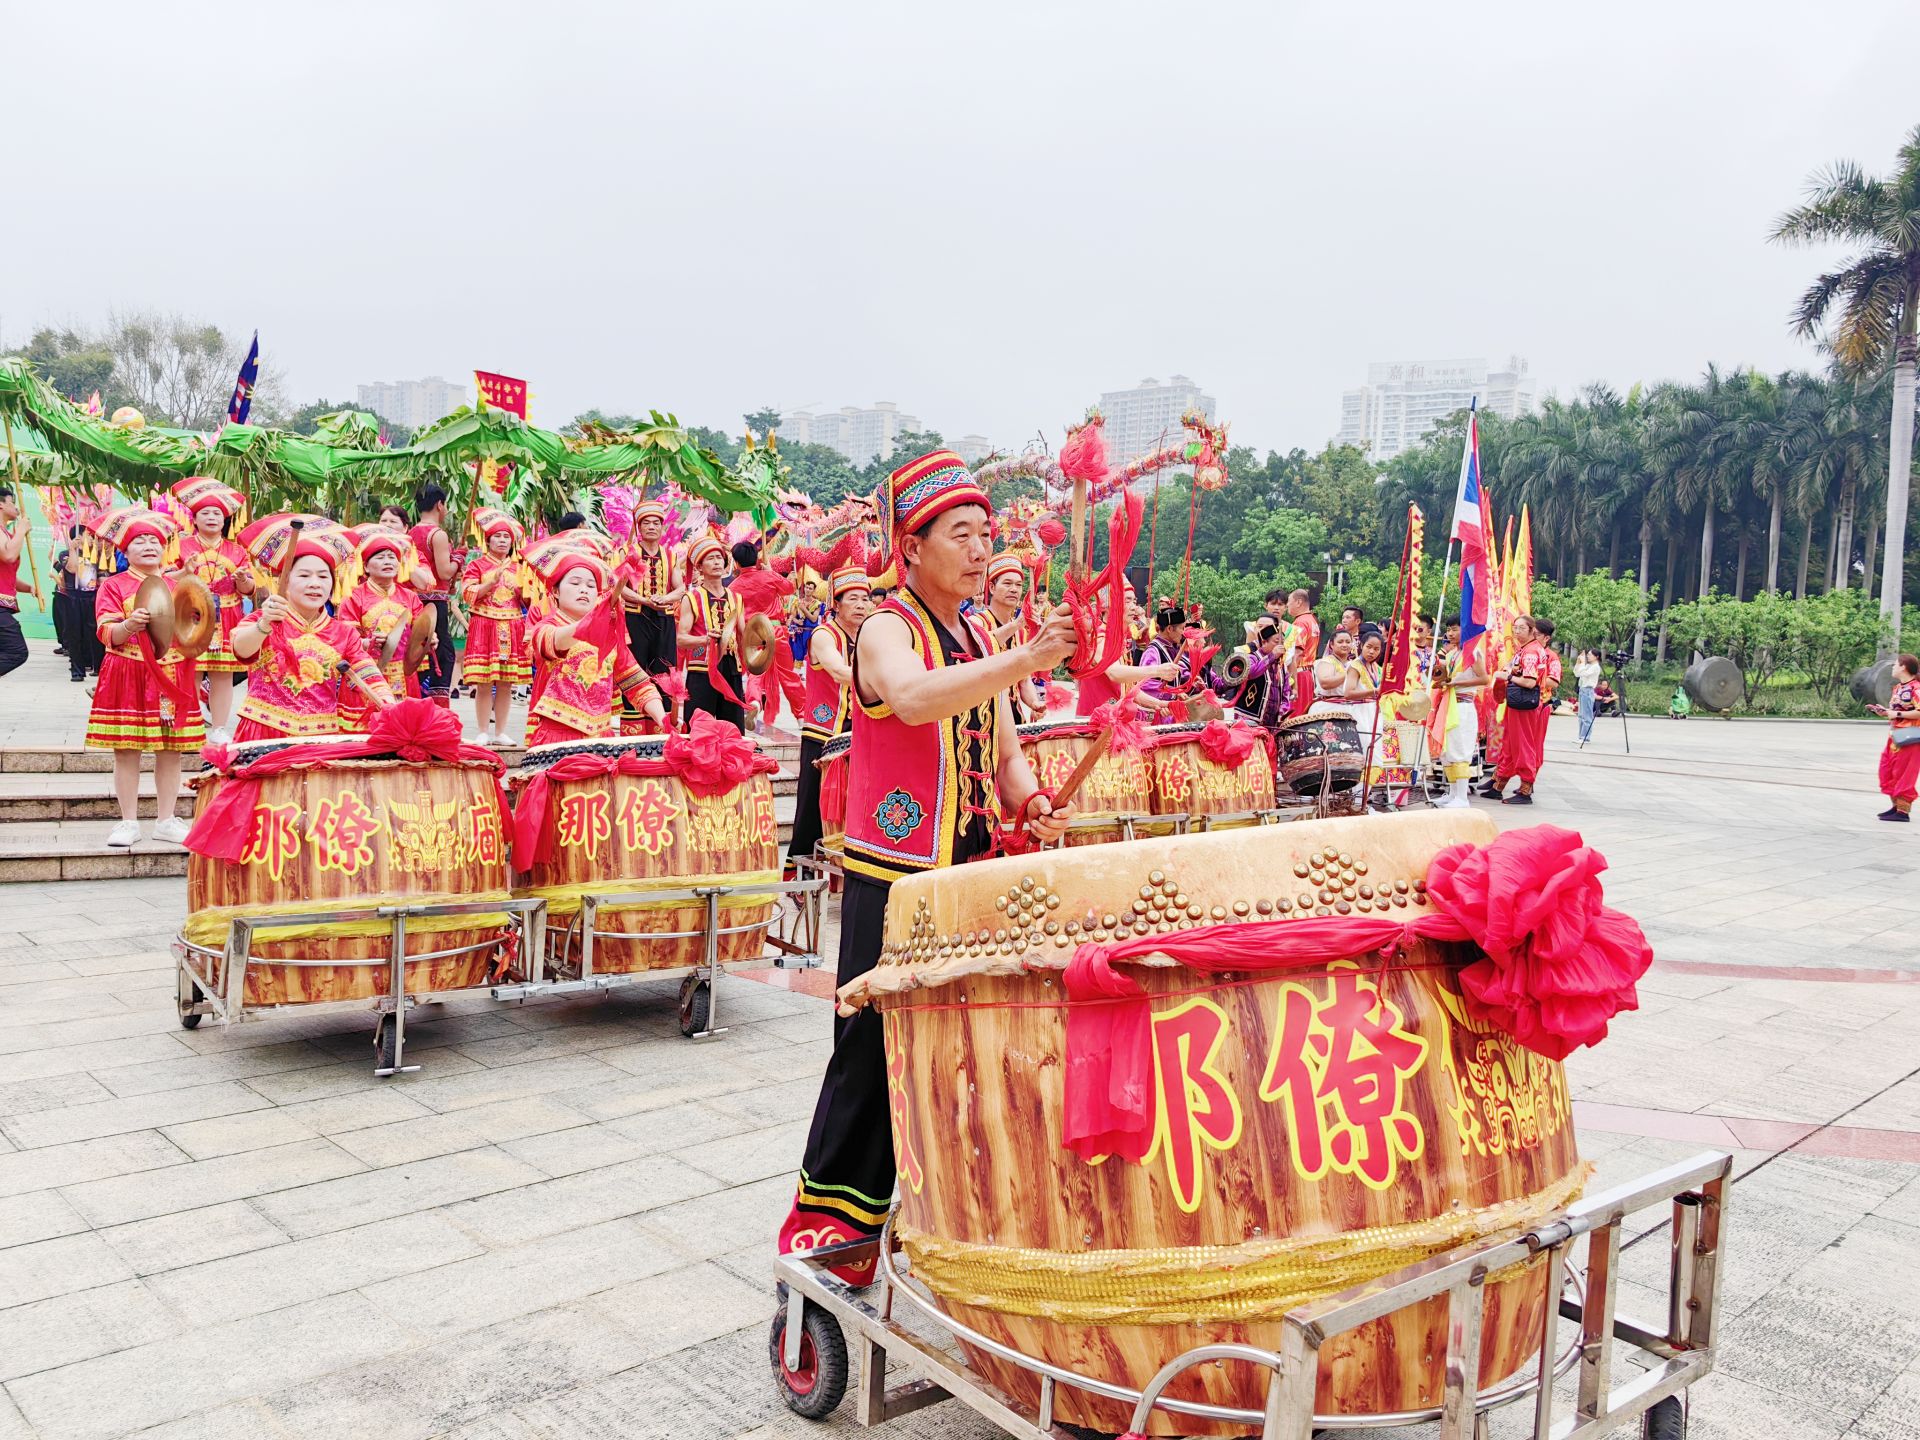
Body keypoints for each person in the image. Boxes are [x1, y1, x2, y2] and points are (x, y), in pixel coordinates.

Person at [777, 450, 1076, 1282]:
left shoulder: (980, 631)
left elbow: (1006, 750)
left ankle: (947, 1221)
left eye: (988, 534)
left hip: (970, 870)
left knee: (965, 1046)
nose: (981, 551)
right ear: (911, 546)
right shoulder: (884, 627)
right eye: (962, 534)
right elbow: (910, 698)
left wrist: (1029, 801)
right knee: (873, 1049)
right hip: (896, 876)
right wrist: (1024, 662)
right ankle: (829, 1239)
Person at [85, 507, 203, 847]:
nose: (149, 545)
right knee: (126, 749)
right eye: (140, 541)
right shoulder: (113, 585)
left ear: (164, 547)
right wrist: (127, 625)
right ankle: (127, 822)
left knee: (171, 750)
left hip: (169, 676)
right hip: (128, 672)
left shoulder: (178, 586)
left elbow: (195, 629)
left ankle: (166, 819)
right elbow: (106, 633)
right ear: (126, 551)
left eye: (154, 540)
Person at [231, 521, 394, 742]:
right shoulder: (263, 620)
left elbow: (367, 672)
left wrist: (388, 703)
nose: (315, 584)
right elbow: (241, 650)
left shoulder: (344, 634)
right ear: (285, 582)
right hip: (264, 732)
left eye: (323, 576)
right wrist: (264, 624)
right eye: (305, 576)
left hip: (320, 736)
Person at [522, 534, 666, 746]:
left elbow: (636, 681)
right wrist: (593, 621)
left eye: (591, 586)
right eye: (575, 582)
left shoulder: (609, 635)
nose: (584, 589)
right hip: (557, 735)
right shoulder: (547, 627)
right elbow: (555, 641)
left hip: (601, 735)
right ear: (555, 591)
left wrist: (661, 718)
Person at [786, 565, 872, 871]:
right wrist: (884, 680)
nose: (862, 604)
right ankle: (798, 871)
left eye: (866, 598)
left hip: (859, 730)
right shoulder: (824, 634)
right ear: (836, 603)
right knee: (811, 806)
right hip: (823, 732)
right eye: (854, 599)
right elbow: (838, 671)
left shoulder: (868, 635)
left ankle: (848, 867)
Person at [169, 477, 256, 742]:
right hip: (192, 615)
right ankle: (190, 723)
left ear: (224, 519)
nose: (211, 517)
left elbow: (250, 588)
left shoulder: (237, 550)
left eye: (217, 513)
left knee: (223, 674)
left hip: (228, 615)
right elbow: (165, 580)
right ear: (194, 519)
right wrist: (184, 572)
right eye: (205, 513)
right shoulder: (180, 546)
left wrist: (243, 581)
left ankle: (219, 727)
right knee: (190, 670)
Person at [337, 529, 426, 728]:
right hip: (368, 671)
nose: (388, 561)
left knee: (406, 727)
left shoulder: (410, 597)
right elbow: (344, 639)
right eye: (381, 557)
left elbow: (422, 632)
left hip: (403, 674)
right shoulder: (354, 597)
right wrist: (367, 643)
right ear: (366, 566)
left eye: (392, 557)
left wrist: (429, 640)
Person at [458, 508, 530, 746]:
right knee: (484, 681)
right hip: (484, 624)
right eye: (497, 536)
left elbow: (527, 601)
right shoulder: (477, 565)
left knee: (506, 683)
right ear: (487, 540)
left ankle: (500, 732)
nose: (502, 540)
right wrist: (489, 583)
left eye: (506, 537)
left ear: (512, 542)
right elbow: (467, 594)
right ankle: (481, 730)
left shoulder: (519, 567)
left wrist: (527, 590)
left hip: (511, 625)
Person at [729, 539, 805, 734]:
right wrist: (770, 571)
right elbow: (790, 588)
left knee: (756, 672)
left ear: (735, 563)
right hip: (776, 631)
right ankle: (802, 715)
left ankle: (753, 701)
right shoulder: (769, 577)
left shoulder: (733, 587)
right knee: (788, 675)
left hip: (752, 633)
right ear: (756, 559)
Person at [678, 533, 746, 730]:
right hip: (701, 670)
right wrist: (705, 640)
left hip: (731, 668)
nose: (717, 562)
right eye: (710, 558)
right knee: (698, 729)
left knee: (733, 730)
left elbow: (744, 635)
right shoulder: (691, 598)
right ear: (699, 567)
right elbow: (681, 639)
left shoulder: (736, 598)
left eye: (719, 558)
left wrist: (761, 641)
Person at [1480, 616, 1548, 804]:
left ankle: (1525, 789)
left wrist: (1508, 676)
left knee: (1522, 745)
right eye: (1515, 628)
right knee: (1510, 745)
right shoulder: (1526, 649)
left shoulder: (1531, 652)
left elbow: (1529, 681)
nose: (1517, 632)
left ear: (1532, 630)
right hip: (1518, 703)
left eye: (1521, 628)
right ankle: (1499, 784)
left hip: (1524, 704)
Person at [616, 499, 682, 682]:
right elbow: (621, 589)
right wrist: (645, 601)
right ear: (639, 528)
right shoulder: (627, 552)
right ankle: (634, 710)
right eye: (646, 523)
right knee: (635, 666)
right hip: (635, 617)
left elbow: (681, 588)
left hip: (664, 617)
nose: (651, 527)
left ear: (662, 527)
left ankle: (663, 710)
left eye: (656, 523)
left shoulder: (670, 555)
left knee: (665, 666)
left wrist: (665, 598)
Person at [408, 485, 458, 706]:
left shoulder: (410, 533)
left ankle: (418, 699)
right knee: (443, 655)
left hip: (415, 601)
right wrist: (459, 559)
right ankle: (437, 706)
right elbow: (445, 571)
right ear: (440, 505)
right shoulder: (437, 534)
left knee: (420, 651)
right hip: (434, 602)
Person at [983, 554, 1045, 719]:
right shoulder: (977, 623)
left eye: (1018, 585)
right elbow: (983, 642)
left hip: (1014, 715)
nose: (1014, 589)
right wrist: (1016, 624)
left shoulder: (1021, 633)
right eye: (1007, 583)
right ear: (992, 587)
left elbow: (1024, 679)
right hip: (985, 714)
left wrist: (1034, 703)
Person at [1870, 653, 1920, 822]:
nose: (1892, 667)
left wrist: (1896, 713)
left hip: (1911, 737)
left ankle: (1903, 812)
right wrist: (1884, 712)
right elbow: (1897, 712)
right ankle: (1895, 807)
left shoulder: (1916, 688)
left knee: (1905, 772)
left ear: (1904, 667)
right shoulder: (1898, 688)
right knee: (1888, 770)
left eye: (1895, 664)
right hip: (1896, 736)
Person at [53, 525, 102, 683]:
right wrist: (73, 549)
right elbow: (72, 569)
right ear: (78, 537)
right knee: (75, 634)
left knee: (94, 633)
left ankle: (96, 666)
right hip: (73, 598)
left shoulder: (95, 553)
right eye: (88, 535)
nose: (91, 538)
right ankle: (77, 671)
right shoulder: (67, 554)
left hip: (92, 597)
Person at [0, 485, 34, 678]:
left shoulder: (6, 534)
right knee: (16, 652)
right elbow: (8, 556)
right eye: (12, 502)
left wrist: (28, 587)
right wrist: (21, 530)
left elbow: (7, 574)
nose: (17, 508)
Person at [1281, 588, 1322, 718]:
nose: (1287, 605)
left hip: (1298, 674)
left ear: (1298, 602)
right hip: (1308, 673)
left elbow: (1297, 652)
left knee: (1293, 714)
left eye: (1288, 601)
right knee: (1303, 713)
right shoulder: (1312, 620)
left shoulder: (1300, 622)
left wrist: (1288, 677)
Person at [1574, 649, 1603, 746]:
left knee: (1587, 715)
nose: (1588, 656)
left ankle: (1585, 738)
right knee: (1581, 715)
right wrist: (1579, 663)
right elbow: (1577, 673)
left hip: (1588, 690)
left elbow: (1584, 673)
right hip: (1582, 690)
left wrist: (1582, 663)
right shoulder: (1588, 666)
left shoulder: (1595, 667)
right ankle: (1581, 736)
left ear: (1596, 656)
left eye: (1590, 655)